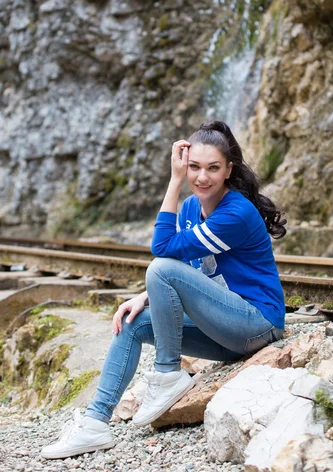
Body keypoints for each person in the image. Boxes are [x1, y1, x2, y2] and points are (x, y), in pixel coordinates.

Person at [41, 120, 287, 460]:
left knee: (160, 267)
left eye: (213, 168)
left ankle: (167, 374)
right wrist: (143, 298)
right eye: (193, 168)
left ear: (229, 170)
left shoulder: (237, 213)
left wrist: (173, 181)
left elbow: (162, 250)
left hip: (258, 325)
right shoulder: (190, 209)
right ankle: (95, 423)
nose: (202, 177)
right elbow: (186, 266)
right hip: (224, 327)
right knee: (133, 323)